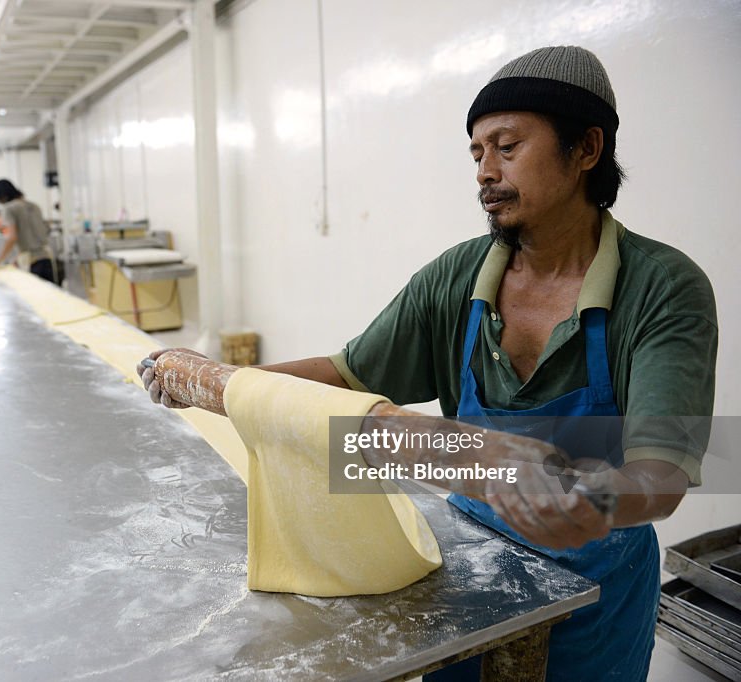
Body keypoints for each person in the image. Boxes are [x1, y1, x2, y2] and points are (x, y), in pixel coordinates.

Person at [139, 46, 717, 681]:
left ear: (585, 149)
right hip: (471, 579)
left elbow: (662, 473)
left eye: (507, 146)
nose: (485, 172)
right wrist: (217, 380)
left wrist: (593, 501)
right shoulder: (458, 277)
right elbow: (346, 374)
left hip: (597, 595)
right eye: (476, 154)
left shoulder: (662, 287)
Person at [0, 179, 62, 285]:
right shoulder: (35, 206)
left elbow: (12, 237)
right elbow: (44, 230)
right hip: (47, 258)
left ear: (2, 196)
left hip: (31, 262)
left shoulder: (8, 209)